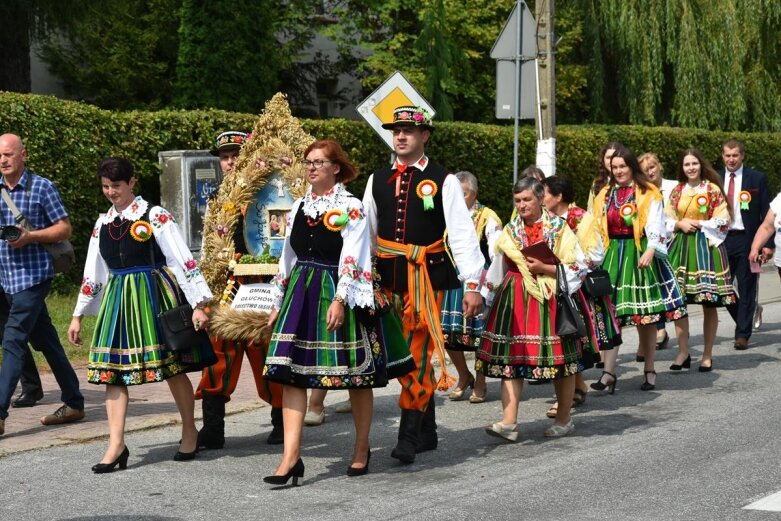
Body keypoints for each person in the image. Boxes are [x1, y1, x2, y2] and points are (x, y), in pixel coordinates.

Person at [263, 139, 396, 484]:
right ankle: (290, 457)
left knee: (356, 376)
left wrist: (340, 298)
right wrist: (277, 302)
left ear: (335, 168)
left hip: (336, 288)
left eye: (319, 162)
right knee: (290, 372)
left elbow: (354, 253)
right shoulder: (298, 206)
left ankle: (361, 448)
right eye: (308, 161)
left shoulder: (350, 206)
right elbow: (287, 257)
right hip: (300, 291)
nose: (311, 167)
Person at [68, 157, 214, 472]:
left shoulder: (155, 215)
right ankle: (116, 444)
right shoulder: (102, 224)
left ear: (132, 182)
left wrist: (200, 304)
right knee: (112, 373)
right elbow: (94, 272)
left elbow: (181, 259)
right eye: (105, 186)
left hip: (153, 294)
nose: (110, 192)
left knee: (173, 367)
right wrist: (78, 314)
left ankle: (190, 430)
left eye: (116, 186)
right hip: (118, 300)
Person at [362, 106, 485, 464]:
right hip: (387, 282)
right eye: (396, 131)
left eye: (409, 131)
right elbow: (367, 233)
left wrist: (474, 283)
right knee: (398, 355)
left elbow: (462, 235)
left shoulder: (443, 180)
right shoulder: (376, 179)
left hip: (426, 282)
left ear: (425, 136)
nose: (400, 136)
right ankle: (428, 431)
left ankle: (408, 436)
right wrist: (362, 277)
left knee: (415, 356)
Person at [477, 176, 588, 441]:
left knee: (560, 362)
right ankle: (508, 422)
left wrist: (546, 268)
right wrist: (486, 298)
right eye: (517, 200)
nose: (522, 205)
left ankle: (564, 419)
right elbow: (497, 267)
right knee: (511, 361)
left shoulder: (560, 228)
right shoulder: (510, 230)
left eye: (527, 199)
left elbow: (579, 266)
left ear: (540, 198)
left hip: (550, 299)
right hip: (514, 297)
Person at [195, 131, 285, 449]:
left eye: (236, 155)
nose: (230, 161)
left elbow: (277, 243)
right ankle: (213, 428)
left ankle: (282, 421)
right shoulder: (217, 198)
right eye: (225, 156)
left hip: (260, 282)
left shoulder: (269, 195)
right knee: (218, 350)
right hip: (227, 285)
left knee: (264, 350)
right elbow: (210, 246)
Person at [0, 133, 85, 437]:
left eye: (9, 154)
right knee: (47, 341)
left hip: (33, 277)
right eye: (0, 156)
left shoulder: (42, 187)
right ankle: (74, 402)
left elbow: (64, 227)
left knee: (12, 341)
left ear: (23, 154)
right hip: (5, 278)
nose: (3, 160)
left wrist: (30, 237)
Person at [592, 144, 688, 392]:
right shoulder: (604, 193)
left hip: (639, 252)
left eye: (623, 166)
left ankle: (649, 368)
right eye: (614, 167)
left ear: (632, 166)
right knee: (610, 314)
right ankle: (609, 372)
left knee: (644, 317)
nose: (619, 171)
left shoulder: (648, 192)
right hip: (613, 255)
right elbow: (597, 227)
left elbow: (656, 224)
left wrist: (650, 248)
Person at [541, 175, 621, 415]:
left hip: (579, 289)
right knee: (565, 338)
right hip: (556, 284)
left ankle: (573, 392)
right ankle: (577, 387)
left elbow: (596, 254)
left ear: (559, 197)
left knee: (576, 339)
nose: (541, 198)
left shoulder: (582, 220)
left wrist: (568, 266)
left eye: (544, 193)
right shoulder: (546, 219)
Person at [665, 149, 735, 372]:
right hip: (681, 248)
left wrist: (700, 223)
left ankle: (707, 354)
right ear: (682, 168)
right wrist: (679, 224)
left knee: (709, 302)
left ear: (701, 165)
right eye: (687, 164)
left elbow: (724, 218)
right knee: (679, 302)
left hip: (706, 247)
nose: (691, 168)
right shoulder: (677, 191)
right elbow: (665, 218)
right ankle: (683, 352)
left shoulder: (712, 189)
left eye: (694, 163)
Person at [441, 171, 501, 404]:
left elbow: (497, 252)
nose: (457, 198)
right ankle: (464, 375)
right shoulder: (447, 216)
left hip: (478, 279)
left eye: (463, 193)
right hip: (451, 279)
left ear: (474, 194)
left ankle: (482, 380)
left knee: (478, 334)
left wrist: (491, 286)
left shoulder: (488, 216)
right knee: (449, 334)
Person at [719, 139, 773, 350]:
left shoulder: (756, 178)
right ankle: (749, 313)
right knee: (721, 290)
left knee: (747, 286)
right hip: (721, 240)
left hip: (748, 240)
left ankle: (742, 334)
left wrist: (766, 244)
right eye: (727, 155)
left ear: (742, 156)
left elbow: (766, 213)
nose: (731, 159)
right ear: (722, 156)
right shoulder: (715, 178)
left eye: (735, 155)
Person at [638, 152, 677, 354]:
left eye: (652, 167)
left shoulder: (674, 186)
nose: (650, 172)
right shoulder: (641, 192)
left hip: (675, 240)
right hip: (653, 245)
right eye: (645, 170)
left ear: (659, 166)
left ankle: (679, 332)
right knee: (652, 288)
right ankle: (658, 332)